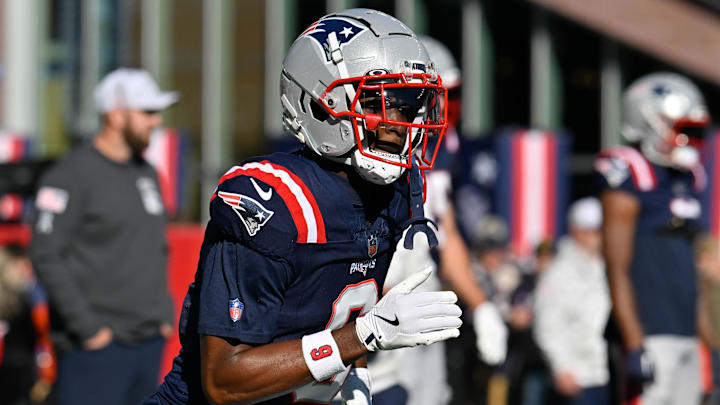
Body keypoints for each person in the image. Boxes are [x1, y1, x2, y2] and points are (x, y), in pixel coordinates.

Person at [145, 9, 462, 405]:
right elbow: (224, 381)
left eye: (407, 104)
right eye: (379, 102)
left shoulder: (393, 194)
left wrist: (355, 375)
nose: (396, 124)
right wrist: (362, 337)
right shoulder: (273, 202)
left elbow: (337, 306)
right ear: (321, 101)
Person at [364, 35, 508, 405]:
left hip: (421, 299)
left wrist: (482, 305)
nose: (447, 108)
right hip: (377, 304)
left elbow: (444, 234)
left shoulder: (437, 149)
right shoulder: (372, 153)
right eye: (439, 96)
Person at [29, 68, 178, 405]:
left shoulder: (147, 173)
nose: (156, 121)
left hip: (148, 342)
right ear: (114, 114)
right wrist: (89, 329)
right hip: (95, 349)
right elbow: (44, 252)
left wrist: (164, 316)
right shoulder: (70, 174)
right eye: (147, 112)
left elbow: (154, 249)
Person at [595, 72, 719, 405]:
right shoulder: (631, 171)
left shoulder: (685, 179)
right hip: (650, 332)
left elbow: (690, 269)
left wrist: (708, 341)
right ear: (651, 122)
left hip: (686, 332)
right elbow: (616, 265)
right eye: (685, 131)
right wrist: (634, 341)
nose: (692, 142)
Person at [534, 197, 611, 405]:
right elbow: (547, 324)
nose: (599, 236)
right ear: (576, 230)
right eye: (593, 230)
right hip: (576, 377)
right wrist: (561, 368)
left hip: (603, 373)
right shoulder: (559, 272)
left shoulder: (605, 267)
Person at [0, 244, 56, 405]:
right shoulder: (22, 304)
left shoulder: (27, 302)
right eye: (22, 265)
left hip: (18, 379)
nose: (28, 271)